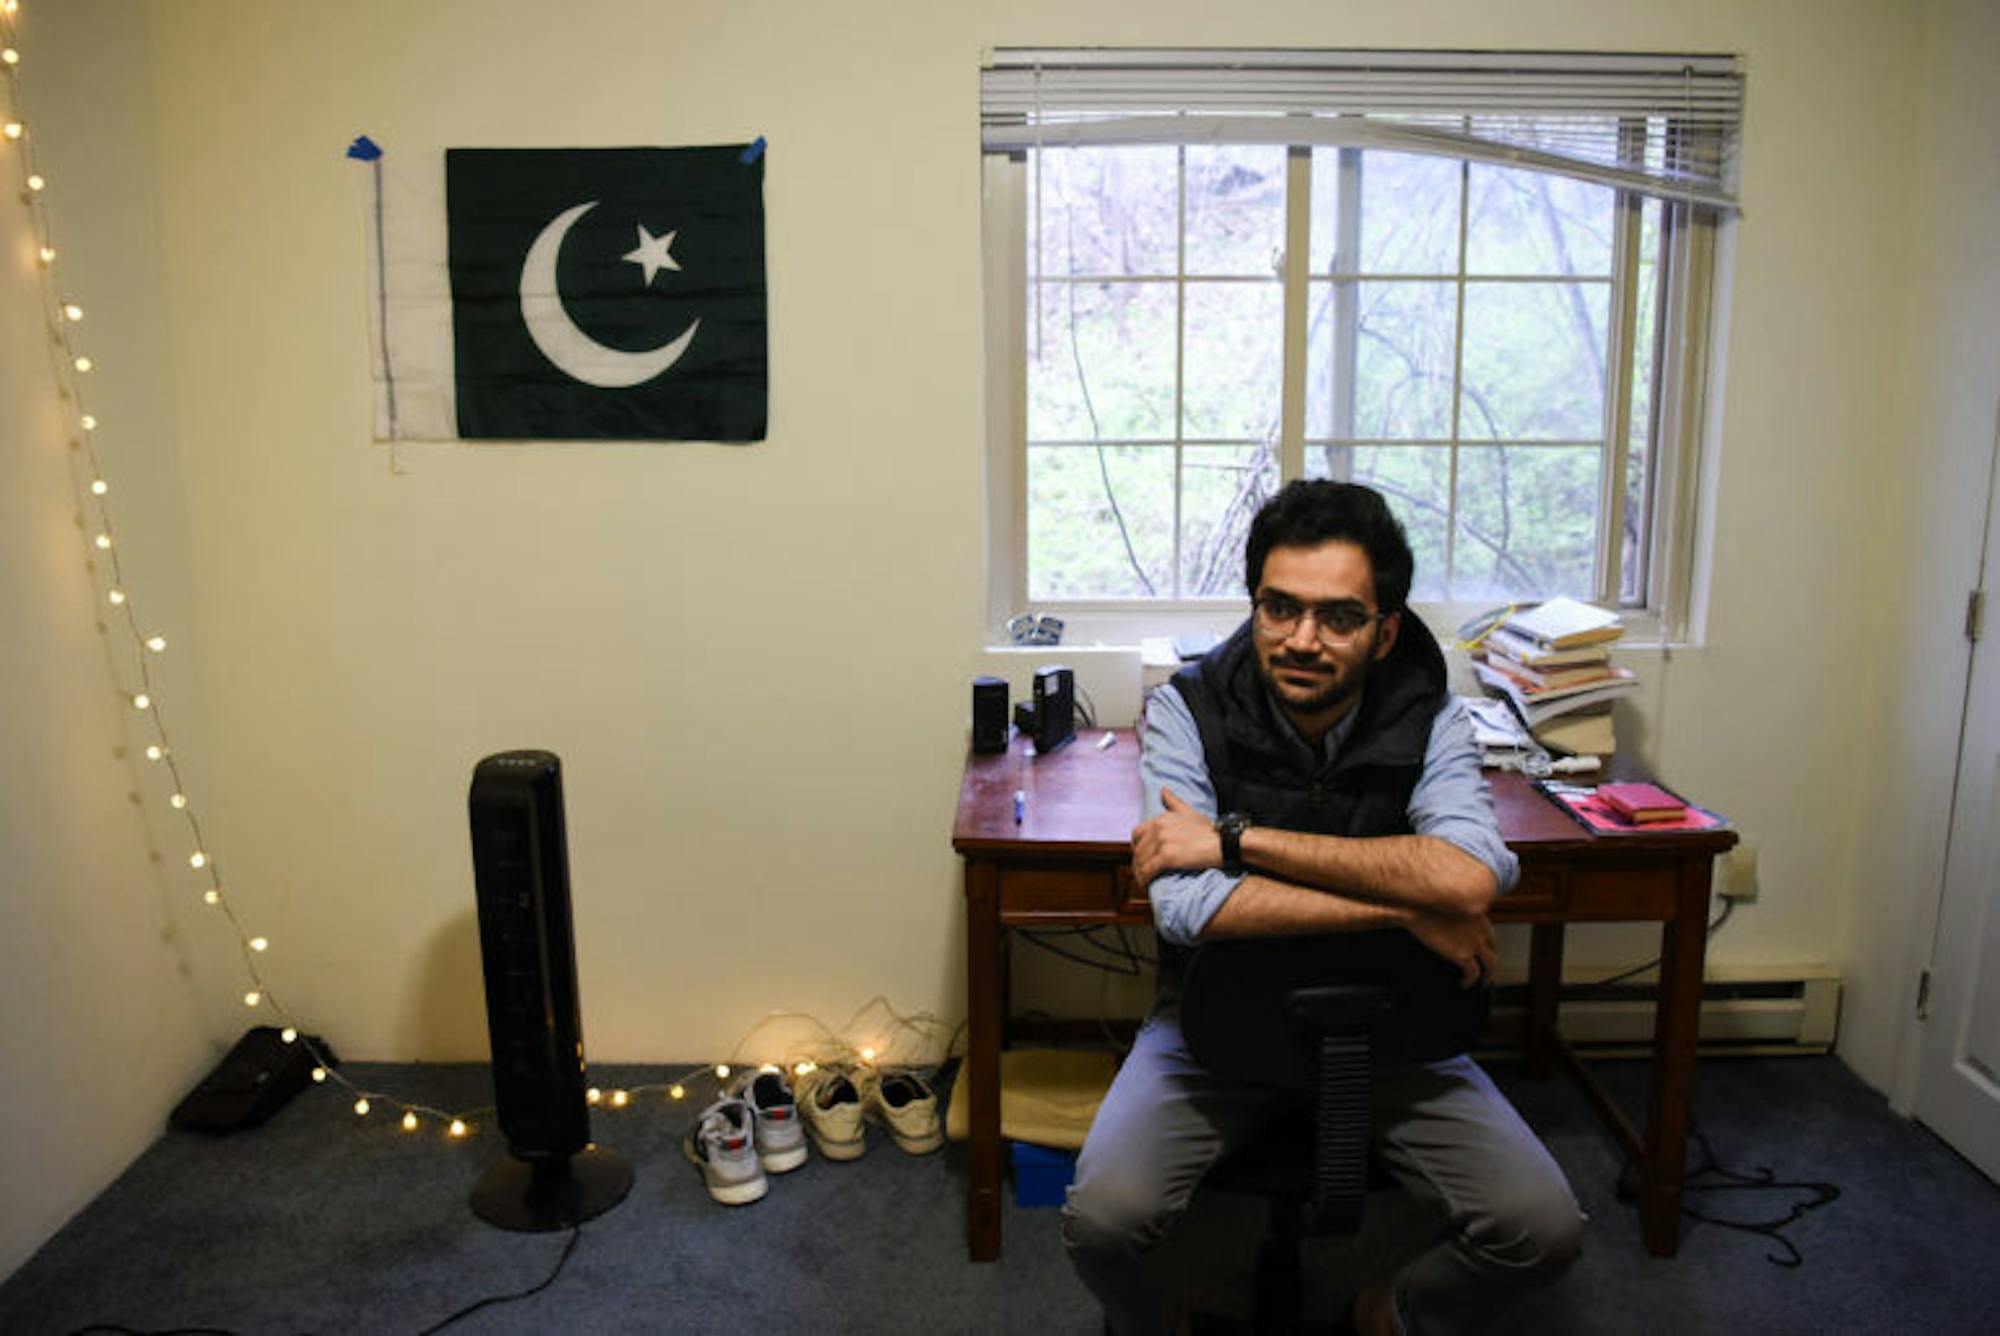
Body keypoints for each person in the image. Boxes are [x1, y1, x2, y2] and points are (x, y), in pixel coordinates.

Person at [1063, 481, 1583, 1335]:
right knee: (1101, 1224)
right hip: (1215, 1020)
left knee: (1544, 1230)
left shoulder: (1435, 721)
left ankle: (1391, 1306)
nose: (1302, 640)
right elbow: (1189, 910)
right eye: (1280, 608)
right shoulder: (1185, 712)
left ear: (1383, 633)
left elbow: (1468, 879)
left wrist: (1237, 840)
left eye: (1338, 617)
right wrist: (1402, 909)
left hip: (1398, 1023)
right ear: (1256, 605)